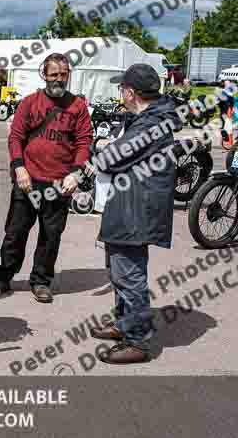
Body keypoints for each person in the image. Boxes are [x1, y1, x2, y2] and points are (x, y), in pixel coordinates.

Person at [89, 64, 182, 364]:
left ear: (130, 92)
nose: (120, 94)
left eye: (121, 89)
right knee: (119, 271)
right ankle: (123, 324)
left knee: (129, 275)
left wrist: (99, 145)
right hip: (131, 203)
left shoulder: (151, 125)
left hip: (136, 209)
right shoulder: (149, 118)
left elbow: (111, 159)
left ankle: (138, 342)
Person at [0, 53, 93, 304]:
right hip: (28, 181)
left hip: (60, 184)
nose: (59, 79)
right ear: (44, 75)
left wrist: (76, 172)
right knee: (15, 232)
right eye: (54, 74)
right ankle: (3, 277)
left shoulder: (78, 107)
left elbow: (83, 142)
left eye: (63, 74)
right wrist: (19, 168)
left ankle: (40, 281)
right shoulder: (30, 102)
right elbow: (15, 137)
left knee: (51, 236)